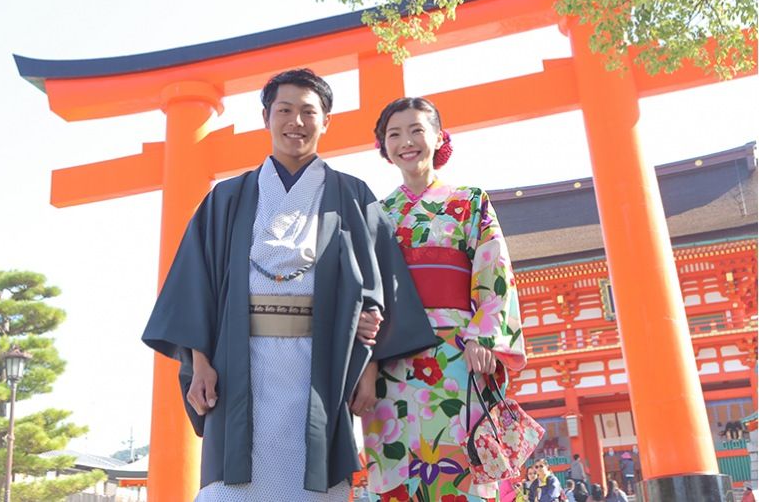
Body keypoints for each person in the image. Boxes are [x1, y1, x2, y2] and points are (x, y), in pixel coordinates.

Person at [142, 69, 437, 501]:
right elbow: (195, 286)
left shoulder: (352, 195)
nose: (295, 121)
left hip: (320, 363)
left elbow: (380, 290)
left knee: (313, 479)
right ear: (267, 118)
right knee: (234, 487)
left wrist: (369, 368)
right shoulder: (227, 198)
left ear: (326, 121)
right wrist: (199, 362)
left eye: (307, 111)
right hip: (239, 364)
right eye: (284, 110)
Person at [361, 96, 527, 501]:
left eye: (417, 130)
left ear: (438, 137)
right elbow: (368, 290)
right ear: (384, 148)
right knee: (402, 468)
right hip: (393, 362)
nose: (406, 142)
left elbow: (494, 270)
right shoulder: (377, 213)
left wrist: (484, 336)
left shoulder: (470, 202)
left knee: (464, 466)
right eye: (394, 134)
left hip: (458, 354)